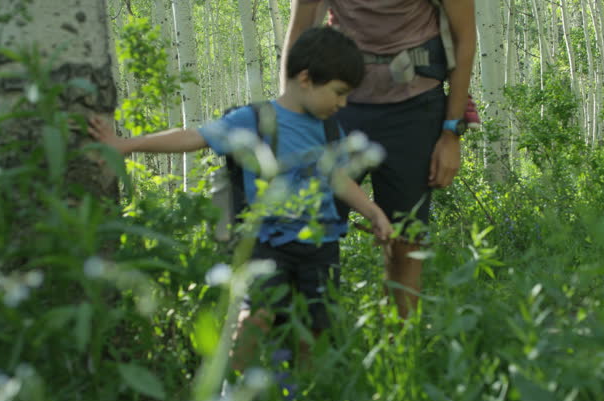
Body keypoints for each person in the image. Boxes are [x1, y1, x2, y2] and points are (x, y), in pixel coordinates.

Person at [88, 27, 393, 371]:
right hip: (266, 242)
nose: (343, 103)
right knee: (255, 317)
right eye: (338, 92)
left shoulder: (328, 129)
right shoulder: (255, 120)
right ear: (306, 78)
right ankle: (232, 392)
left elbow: (338, 179)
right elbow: (194, 137)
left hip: (320, 244)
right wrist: (126, 145)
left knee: (314, 328)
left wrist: (372, 211)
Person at [283, 0, 477, 317]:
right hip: (337, 108)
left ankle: (400, 350)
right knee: (313, 231)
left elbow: (464, 38)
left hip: (415, 108)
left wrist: (451, 133)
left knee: (406, 239)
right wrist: (292, 121)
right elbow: (298, 36)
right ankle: (313, 352)